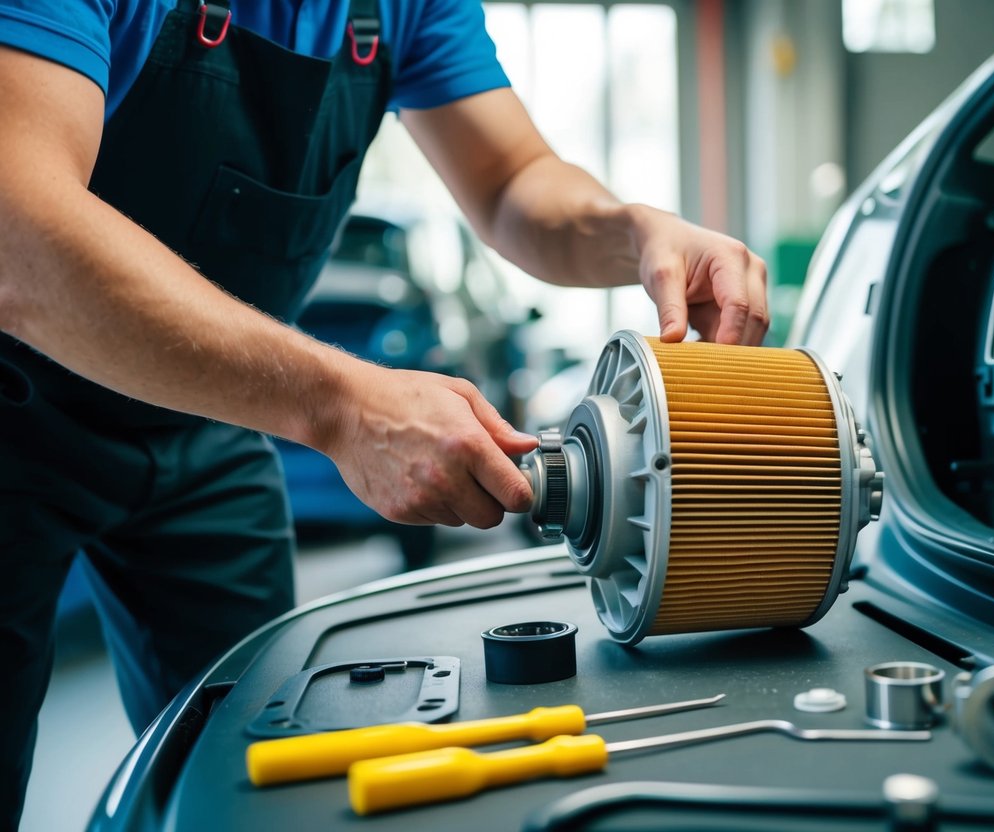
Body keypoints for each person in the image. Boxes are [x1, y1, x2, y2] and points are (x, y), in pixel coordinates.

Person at [0, 1, 768, 826]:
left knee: (263, 770)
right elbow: (18, 234)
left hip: (204, 422)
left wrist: (635, 230)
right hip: (14, 408)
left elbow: (512, 181)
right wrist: (340, 404)